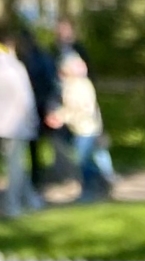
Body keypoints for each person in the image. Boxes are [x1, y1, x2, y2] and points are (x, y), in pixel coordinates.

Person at [0, 28, 41, 219]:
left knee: (14, 163)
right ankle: (13, 203)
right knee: (15, 165)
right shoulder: (14, 68)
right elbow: (25, 97)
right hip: (16, 123)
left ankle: (29, 197)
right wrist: (33, 118)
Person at [53, 51, 113, 200]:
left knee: (82, 161)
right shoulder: (74, 84)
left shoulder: (79, 85)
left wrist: (61, 117)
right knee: (86, 160)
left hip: (86, 128)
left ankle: (96, 184)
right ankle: (102, 182)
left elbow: (80, 107)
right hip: (84, 128)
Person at [15, 28, 59, 194]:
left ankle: (37, 178)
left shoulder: (29, 60)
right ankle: (38, 177)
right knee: (38, 145)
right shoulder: (39, 57)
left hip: (37, 105)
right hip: (39, 104)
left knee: (36, 144)